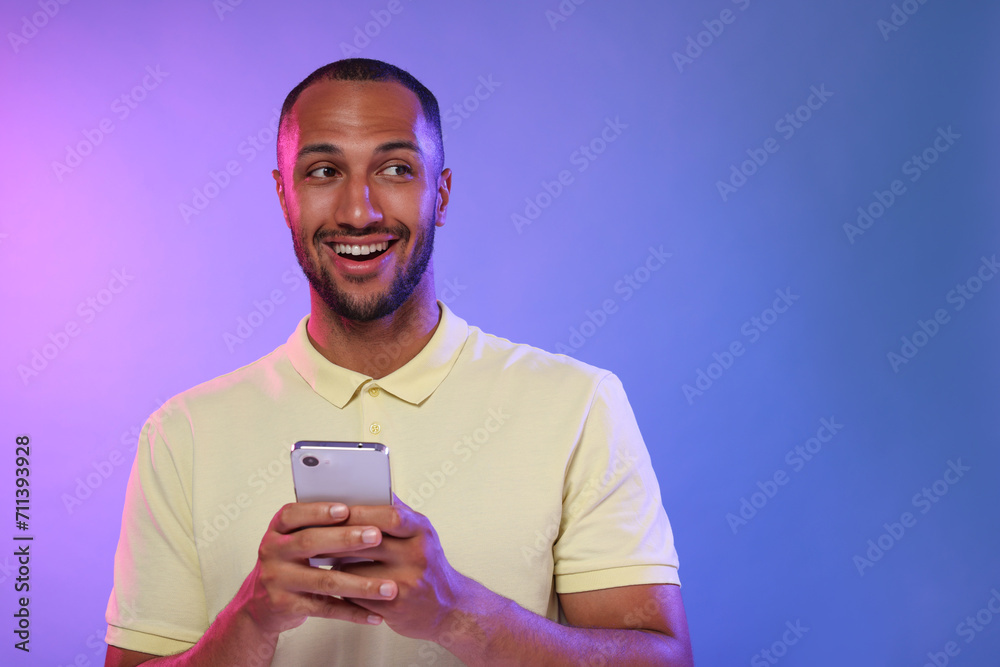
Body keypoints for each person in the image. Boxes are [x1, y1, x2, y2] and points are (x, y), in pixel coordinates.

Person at [104, 58, 693, 666]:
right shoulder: (183, 435)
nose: (359, 212)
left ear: (439, 193)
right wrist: (251, 618)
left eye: (395, 169)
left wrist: (457, 613)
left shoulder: (578, 406)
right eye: (324, 171)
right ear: (285, 196)